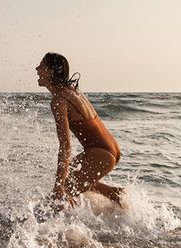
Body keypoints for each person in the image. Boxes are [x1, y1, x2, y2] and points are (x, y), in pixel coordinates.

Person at [37, 52, 123, 210]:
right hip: (111, 149)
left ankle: (64, 232)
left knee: (61, 192)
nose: (37, 69)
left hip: (101, 153)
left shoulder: (59, 100)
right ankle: (114, 193)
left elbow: (65, 146)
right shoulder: (73, 91)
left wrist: (59, 187)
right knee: (68, 178)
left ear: (50, 71)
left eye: (41, 66)